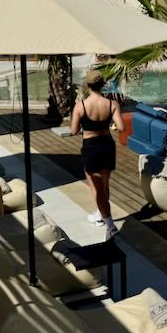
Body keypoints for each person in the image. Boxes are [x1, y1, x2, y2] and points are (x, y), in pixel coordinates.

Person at [70, 69, 126, 237]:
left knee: (96, 187)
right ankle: (100, 215)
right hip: (107, 144)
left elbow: (73, 131)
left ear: (87, 85)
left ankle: (110, 225)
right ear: (103, 85)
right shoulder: (112, 104)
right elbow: (121, 128)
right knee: (104, 183)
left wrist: (82, 123)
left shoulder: (81, 106)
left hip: (91, 146)